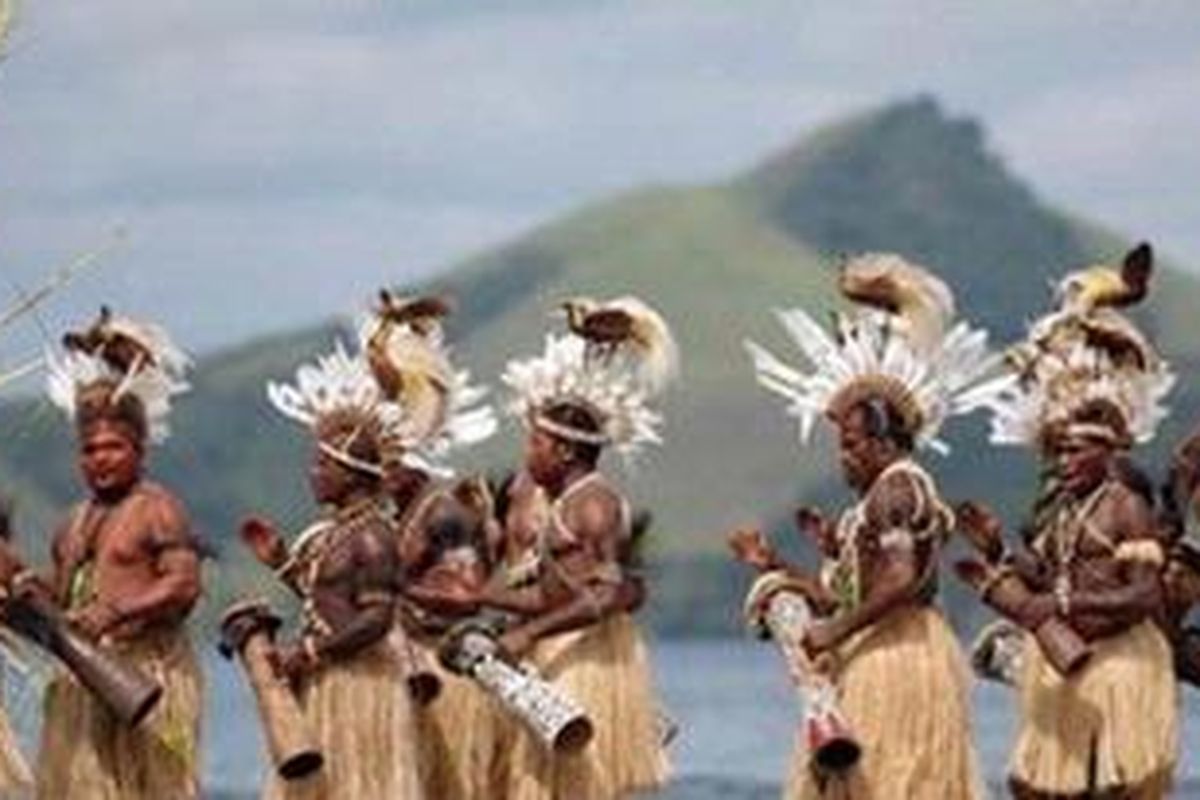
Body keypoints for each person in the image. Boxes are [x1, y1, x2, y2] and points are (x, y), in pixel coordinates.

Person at [734, 253, 1002, 799]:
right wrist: (778, 571)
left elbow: (901, 582)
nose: (844, 458)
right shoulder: (880, 497)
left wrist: (835, 631)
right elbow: (852, 591)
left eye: (851, 445)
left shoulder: (900, 488)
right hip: (879, 651)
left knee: (891, 783)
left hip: (898, 659)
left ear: (884, 441)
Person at [960, 243, 1177, 799]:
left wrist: (1059, 609)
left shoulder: (1125, 506)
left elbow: (1144, 598)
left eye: (1075, 451)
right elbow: (1045, 572)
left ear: (1108, 451)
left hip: (1119, 666)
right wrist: (999, 553)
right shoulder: (1063, 510)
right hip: (1065, 668)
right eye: (1056, 452)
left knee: (1110, 791)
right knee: (1031, 787)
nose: (1062, 462)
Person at [480, 296, 677, 799]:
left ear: (565, 449)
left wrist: (532, 634)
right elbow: (558, 593)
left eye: (536, 444)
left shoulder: (594, 505)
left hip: (587, 666)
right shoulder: (568, 501)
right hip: (564, 655)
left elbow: (610, 594)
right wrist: (479, 599)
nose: (527, 456)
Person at [239, 341, 424, 800]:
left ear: (352, 471)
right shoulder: (335, 533)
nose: (312, 473)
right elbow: (332, 601)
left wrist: (310, 652)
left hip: (360, 689)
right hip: (328, 683)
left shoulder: (374, 536)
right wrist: (283, 562)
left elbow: (378, 619)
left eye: (323, 464)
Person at [34, 308, 203, 799]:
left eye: (113, 447)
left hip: (147, 675)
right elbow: (63, 596)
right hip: (84, 677)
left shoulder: (158, 509)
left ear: (140, 448)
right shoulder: (71, 522)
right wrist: (22, 592)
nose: (99, 458)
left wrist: (116, 611)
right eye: (89, 450)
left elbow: (184, 585)